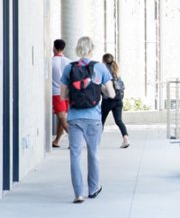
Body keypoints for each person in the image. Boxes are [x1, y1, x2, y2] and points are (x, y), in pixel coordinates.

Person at [60, 36, 115, 204]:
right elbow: (111, 94)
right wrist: (100, 88)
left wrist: (77, 90)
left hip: (75, 118)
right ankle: (93, 189)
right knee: (93, 154)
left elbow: (63, 96)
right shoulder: (100, 68)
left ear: (78, 49)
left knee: (75, 156)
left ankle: (78, 194)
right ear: (91, 49)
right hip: (93, 119)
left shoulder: (69, 69)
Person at [101, 53, 130, 148]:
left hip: (108, 100)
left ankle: (95, 141)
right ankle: (126, 140)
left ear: (104, 61)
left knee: (101, 121)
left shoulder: (105, 72)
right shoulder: (117, 72)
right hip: (118, 100)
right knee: (119, 121)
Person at [51, 39, 71, 148]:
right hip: (67, 92)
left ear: (54, 47)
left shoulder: (51, 62)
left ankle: (74, 138)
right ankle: (57, 140)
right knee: (62, 117)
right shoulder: (69, 61)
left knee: (62, 117)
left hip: (56, 93)